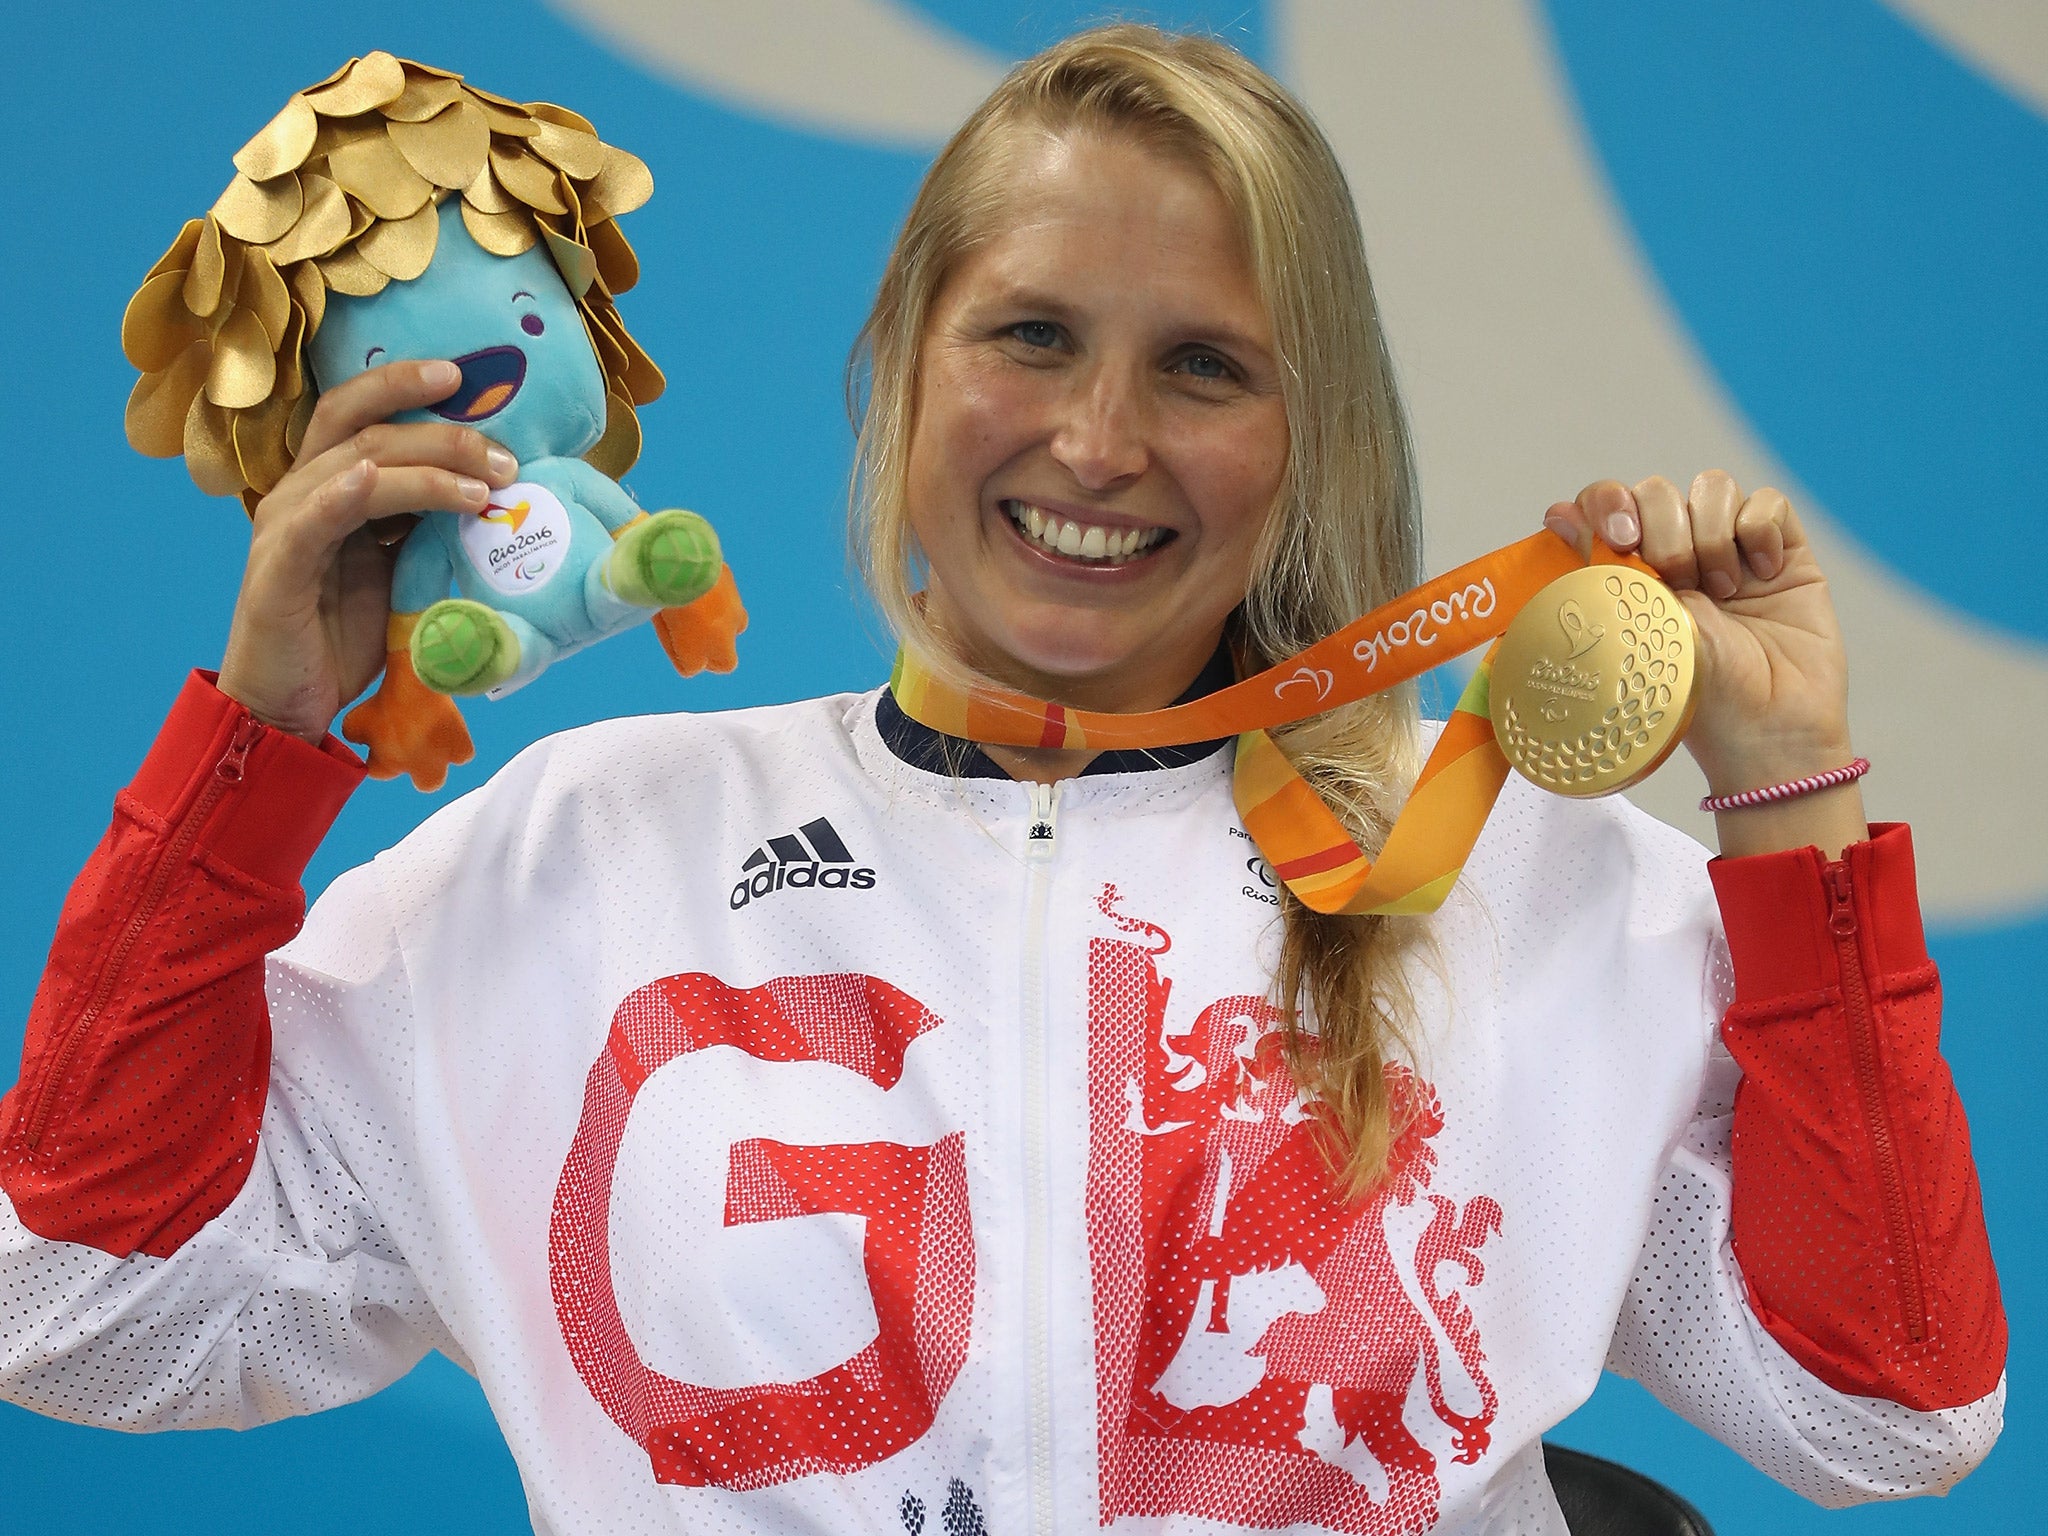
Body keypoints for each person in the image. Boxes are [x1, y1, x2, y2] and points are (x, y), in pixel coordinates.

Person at [0, 25, 2004, 1536]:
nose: (1101, 440)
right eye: (1030, 336)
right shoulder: (573, 862)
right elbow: (79, 1306)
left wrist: (1788, 808)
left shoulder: (1522, 879)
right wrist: (262, 749)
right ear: (898, 359)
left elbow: (1876, 1412)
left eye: (1204, 368)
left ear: (1311, 434)